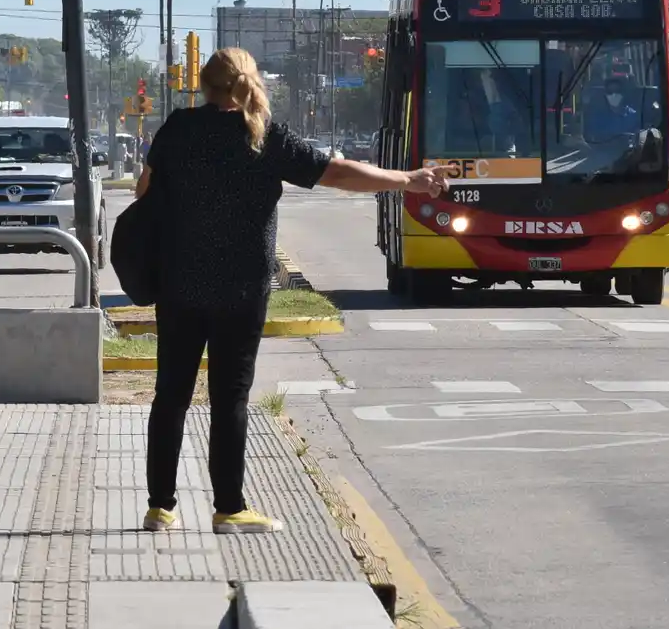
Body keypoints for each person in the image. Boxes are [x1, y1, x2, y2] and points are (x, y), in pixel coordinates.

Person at [137, 47, 447, 535]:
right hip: (242, 289)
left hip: (179, 283)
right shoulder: (264, 137)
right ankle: (229, 508)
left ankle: (160, 507)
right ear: (251, 83)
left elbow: (143, 192)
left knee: (170, 394)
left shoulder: (177, 128)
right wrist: (408, 180)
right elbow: (338, 173)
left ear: (204, 84)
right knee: (229, 398)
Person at [584, 77, 642, 142]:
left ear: (623, 93)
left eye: (617, 91)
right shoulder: (598, 117)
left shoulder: (633, 116)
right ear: (605, 94)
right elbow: (593, 137)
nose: (614, 95)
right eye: (610, 92)